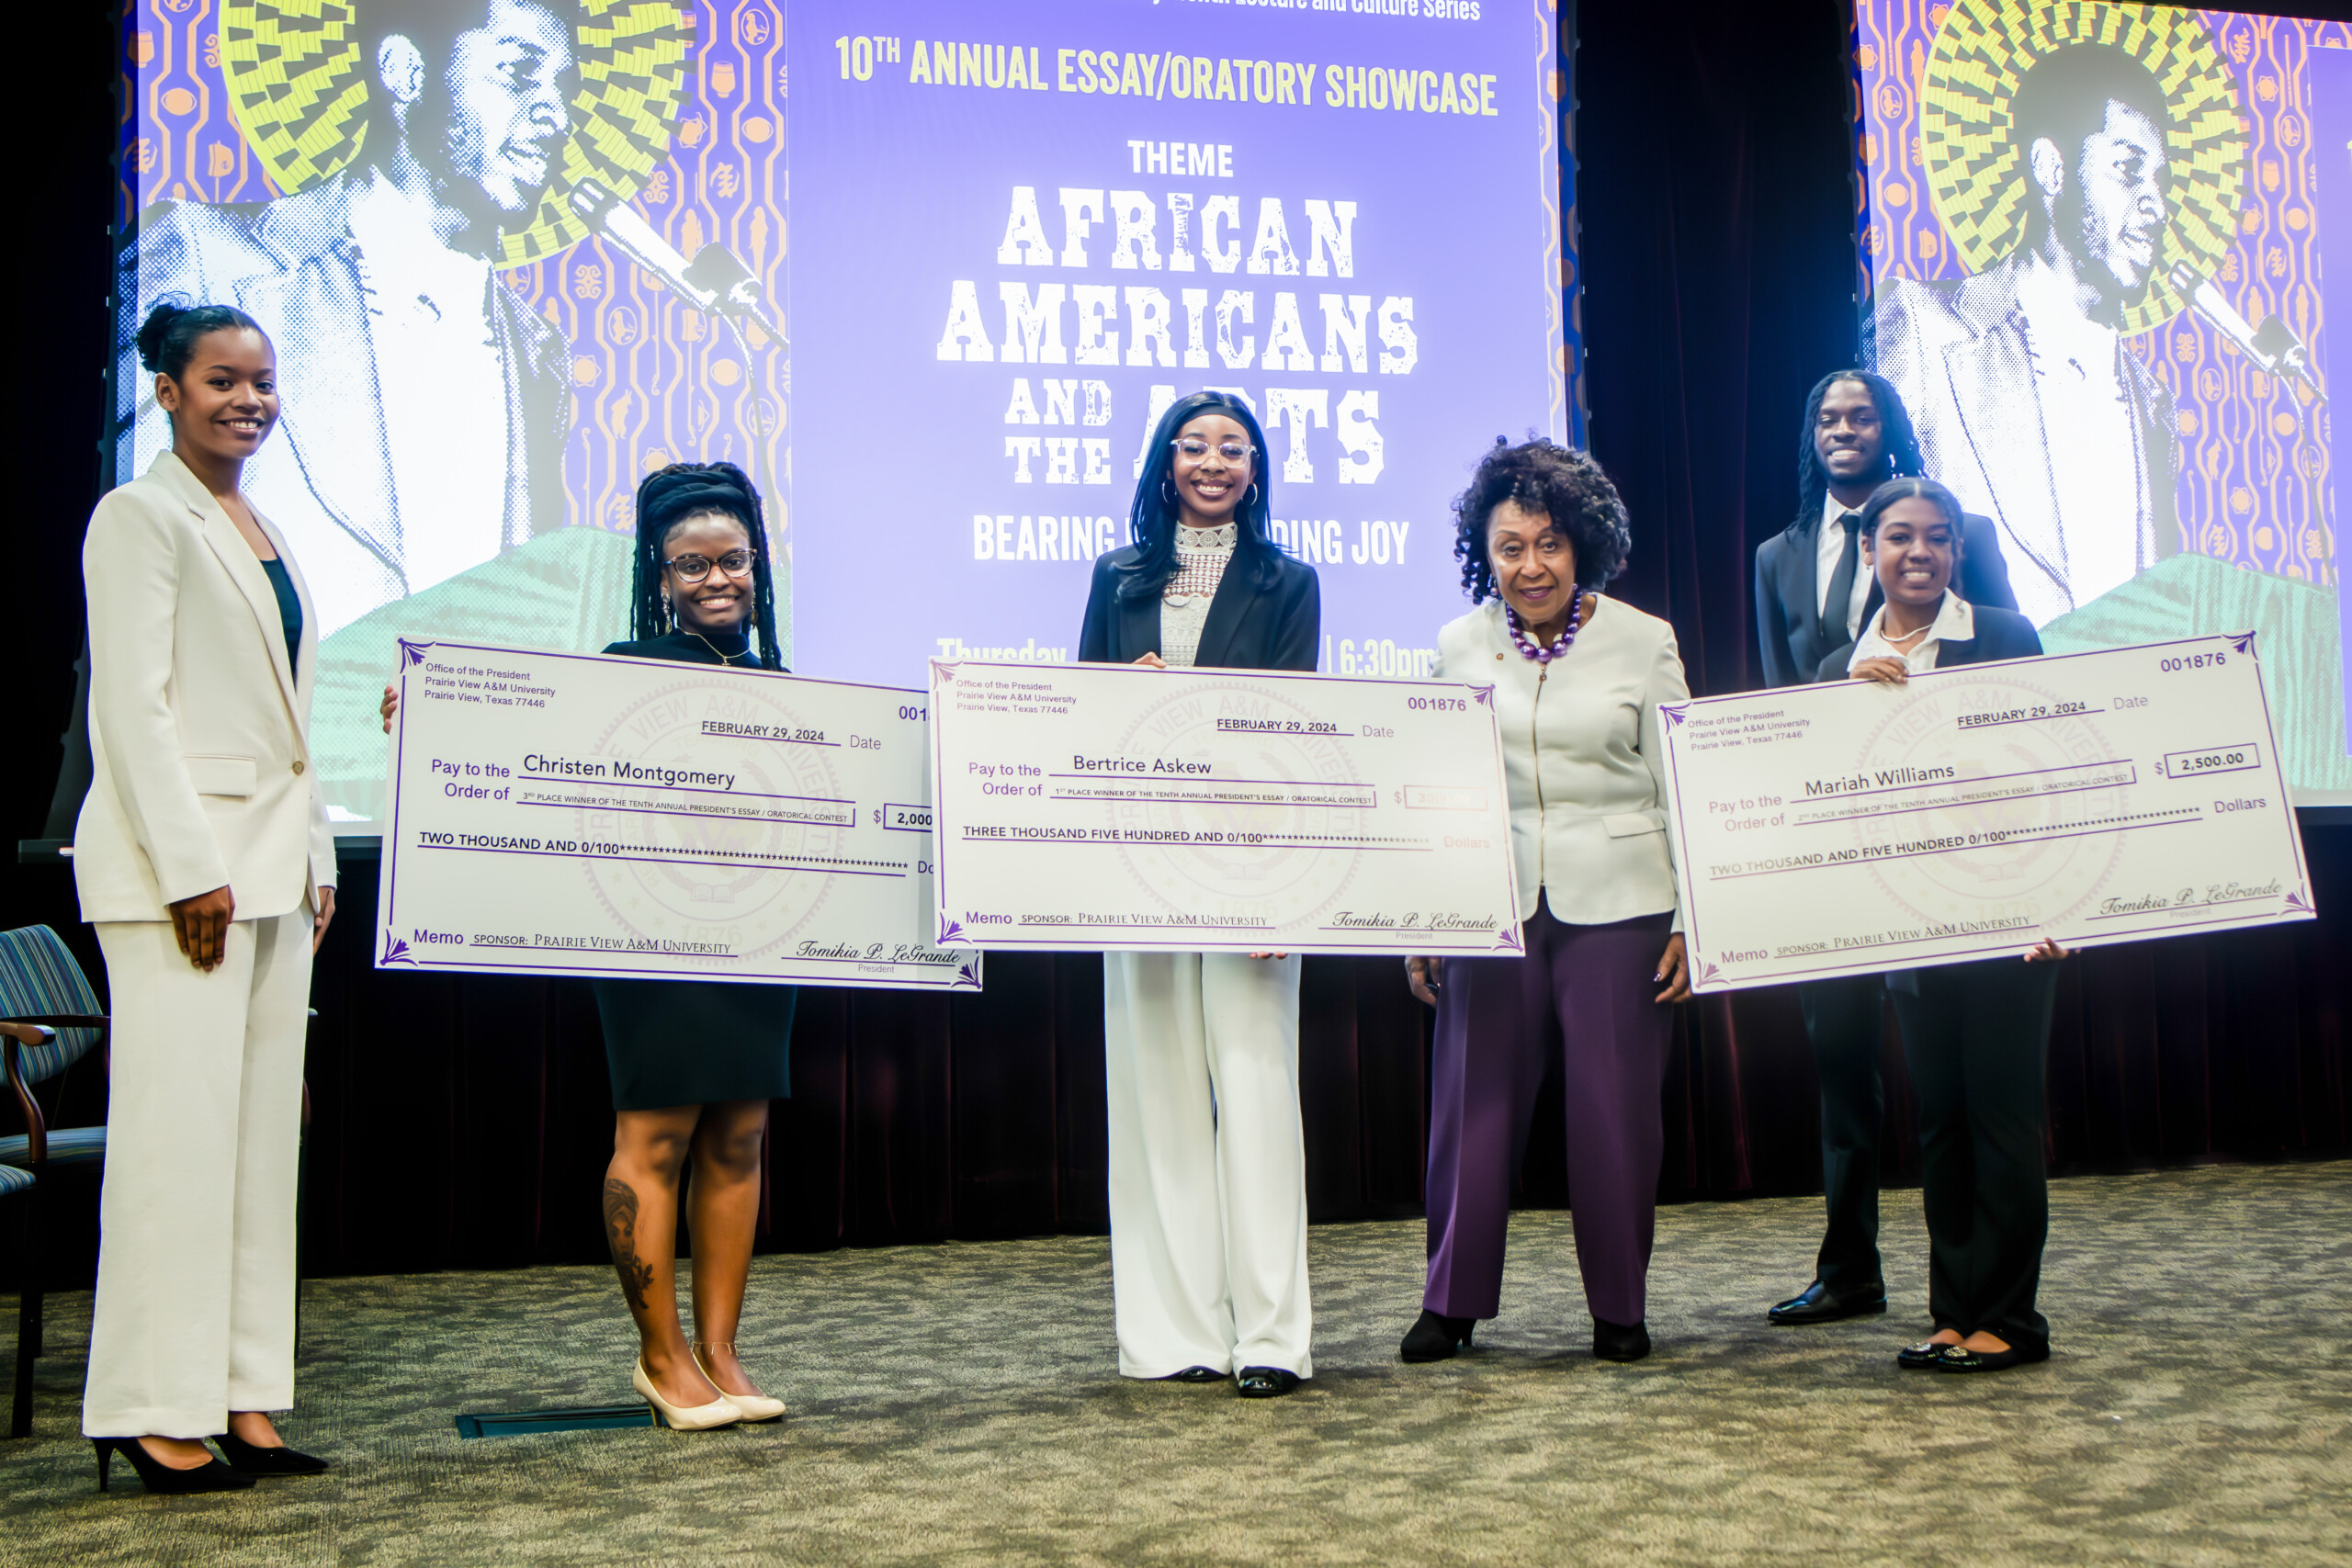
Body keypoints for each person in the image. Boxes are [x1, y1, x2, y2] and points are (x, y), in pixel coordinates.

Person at [382, 462, 793, 1430]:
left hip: (757, 937)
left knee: (740, 1135)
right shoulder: (618, 668)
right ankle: (662, 1357)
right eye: (691, 564)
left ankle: (722, 1351)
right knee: (657, 1136)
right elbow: (533, 751)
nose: (716, 579)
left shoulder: (786, 685)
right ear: (660, 575)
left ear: (757, 565)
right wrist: (435, 715)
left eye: (732, 560)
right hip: (648, 939)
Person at [78, 301, 339, 1493]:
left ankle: (240, 1395)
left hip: (275, 877)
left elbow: (282, 723)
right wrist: (192, 868)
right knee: (175, 1151)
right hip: (181, 882)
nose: (249, 400)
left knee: (254, 1154)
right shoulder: (139, 515)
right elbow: (132, 707)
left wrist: (318, 855)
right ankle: (149, 1408)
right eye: (223, 380)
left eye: (263, 380)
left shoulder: (264, 526)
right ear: (169, 390)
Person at [119, 0, 579, 635]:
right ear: (405, 72)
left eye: (566, 90)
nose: (558, 116)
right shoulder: (208, 261)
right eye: (519, 72)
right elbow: (124, 549)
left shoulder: (541, 358)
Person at [1399, 438, 1691, 1368]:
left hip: (1622, 903)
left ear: (1583, 545)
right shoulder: (1458, 643)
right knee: (1471, 1109)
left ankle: (1619, 1307)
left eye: (1550, 544)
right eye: (1510, 547)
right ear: (1484, 555)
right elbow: (1436, 786)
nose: (1531, 566)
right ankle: (1450, 1303)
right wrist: (1427, 917)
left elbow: (1680, 784)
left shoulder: (1643, 640)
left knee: (1614, 1113)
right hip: (1492, 904)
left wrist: (1692, 921)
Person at [1752, 368, 2017, 1329]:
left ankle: (1979, 1286)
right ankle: (1850, 1267)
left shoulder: (1957, 532)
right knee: (1841, 1064)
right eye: (1826, 417)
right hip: (1840, 848)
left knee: (1957, 1088)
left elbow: (2006, 677)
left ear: (1887, 426)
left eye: (1861, 415)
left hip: (1951, 850)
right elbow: (1783, 704)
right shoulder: (1775, 554)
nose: (1843, 430)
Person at [1076, 390, 1321, 1398]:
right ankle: (1175, 1334)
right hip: (1139, 860)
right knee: (1157, 1098)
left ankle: (1270, 1338)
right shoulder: (1116, 574)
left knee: (1257, 1091)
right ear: (1166, 462)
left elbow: (1295, 730)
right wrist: (1121, 694)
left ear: (1255, 470)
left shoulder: (1290, 581)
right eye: (1195, 446)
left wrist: (1286, 886)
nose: (1213, 462)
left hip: (1251, 862)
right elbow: (1079, 710)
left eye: (1234, 447)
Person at [1816, 478, 2067, 1373]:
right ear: (1869, 550)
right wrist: (1849, 705)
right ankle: (1954, 1313)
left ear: (1957, 550)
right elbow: (1826, 798)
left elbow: (2046, 770)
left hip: (2008, 917)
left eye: (1936, 537)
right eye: (1898, 536)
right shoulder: (1836, 668)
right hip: (1910, 926)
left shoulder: (2001, 635)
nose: (1917, 552)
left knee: (2000, 1119)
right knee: (1941, 1126)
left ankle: (2012, 1319)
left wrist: (2060, 907)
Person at [1872, 43, 2181, 626]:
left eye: (2161, 182)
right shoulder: (1924, 327)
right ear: (2051, 170)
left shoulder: (2155, 405)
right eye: (2128, 170)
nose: (2157, 207)